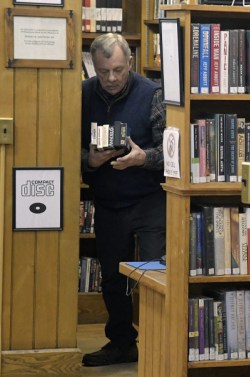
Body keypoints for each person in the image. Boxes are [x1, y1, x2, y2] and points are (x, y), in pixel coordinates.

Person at [80, 33, 167, 367]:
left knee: (155, 274)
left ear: (130, 62)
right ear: (93, 68)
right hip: (108, 201)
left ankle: (162, 345)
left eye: (118, 70)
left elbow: (170, 152)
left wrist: (142, 158)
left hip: (149, 199)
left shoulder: (152, 93)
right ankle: (121, 343)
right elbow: (65, 149)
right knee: (113, 278)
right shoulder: (83, 94)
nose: (112, 79)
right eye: (104, 72)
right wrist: (92, 160)